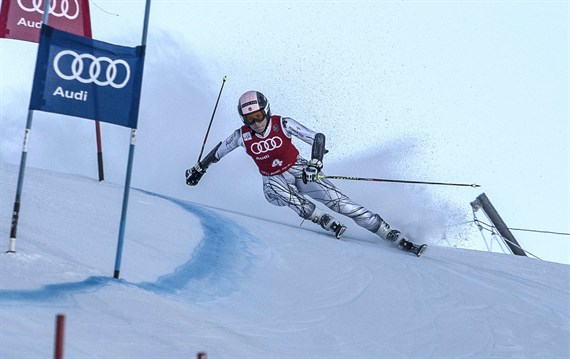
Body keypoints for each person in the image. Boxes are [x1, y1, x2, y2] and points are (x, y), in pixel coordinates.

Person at [186, 91, 426, 256]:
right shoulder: (243, 135)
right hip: (273, 181)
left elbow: (317, 137)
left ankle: (387, 232)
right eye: (250, 119)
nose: (256, 123)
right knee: (280, 190)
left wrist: (316, 162)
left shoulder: (283, 124)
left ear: (266, 111)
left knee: (340, 203)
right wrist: (200, 168)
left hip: (299, 169)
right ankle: (319, 218)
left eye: (258, 116)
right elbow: (219, 151)